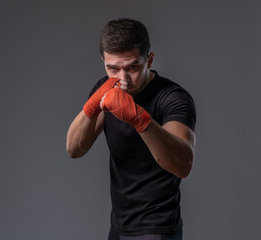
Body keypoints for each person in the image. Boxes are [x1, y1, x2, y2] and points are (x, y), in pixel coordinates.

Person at [66, 18, 196, 240]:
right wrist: (91, 107)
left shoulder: (173, 98)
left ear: (150, 60)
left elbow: (182, 165)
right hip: (119, 224)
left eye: (133, 67)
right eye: (113, 68)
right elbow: (74, 148)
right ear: (103, 63)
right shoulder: (105, 89)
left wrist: (140, 119)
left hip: (157, 227)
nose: (123, 79)